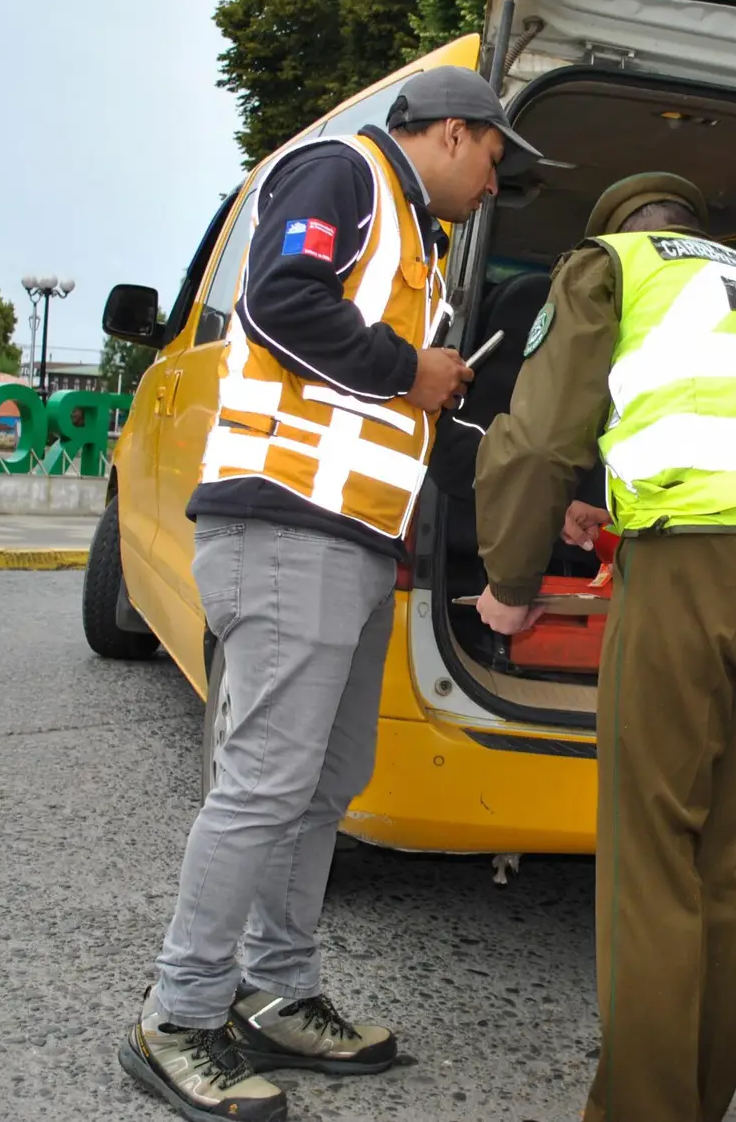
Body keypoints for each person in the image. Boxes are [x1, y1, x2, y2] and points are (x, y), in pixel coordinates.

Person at [118, 65, 542, 1122]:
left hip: (348, 544)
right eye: (495, 158)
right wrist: (411, 367)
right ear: (453, 131)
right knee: (264, 782)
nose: (495, 184)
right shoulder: (342, 174)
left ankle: (278, 989)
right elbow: (279, 300)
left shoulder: (421, 248)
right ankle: (178, 1014)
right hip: (284, 526)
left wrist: (548, 505)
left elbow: (413, 430)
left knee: (325, 780)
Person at [472, 173, 736, 1122]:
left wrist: (510, 583)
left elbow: (538, 443)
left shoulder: (616, 265)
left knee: (653, 847)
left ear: (618, 229)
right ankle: (697, 1105)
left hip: (698, 558)